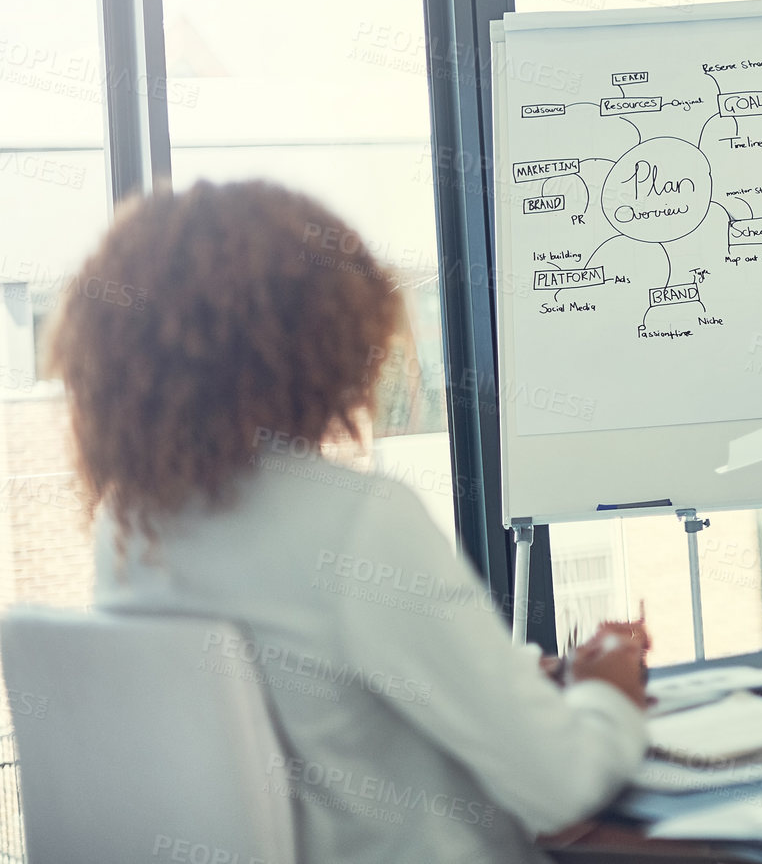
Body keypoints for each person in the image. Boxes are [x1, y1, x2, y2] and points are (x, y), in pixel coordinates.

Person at [59, 182, 649, 864]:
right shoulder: (356, 518)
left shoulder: (129, 526)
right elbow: (562, 783)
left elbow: (317, 701)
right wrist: (608, 689)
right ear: (326, 335)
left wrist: (508, 676)